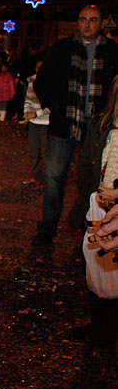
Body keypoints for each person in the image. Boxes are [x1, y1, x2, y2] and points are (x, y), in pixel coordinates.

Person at [31, 5, 118, 246]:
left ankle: (88, 226)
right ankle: (47, 228)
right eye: (83, 20)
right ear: (78, 23)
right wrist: (56, 108)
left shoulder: (112, 52)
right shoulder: (61, 49)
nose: (87, 24)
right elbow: (42, 83)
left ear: (101, 24)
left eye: (93, 20)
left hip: (98, 128)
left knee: (93, 180)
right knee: (54, 177)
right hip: (65, 125)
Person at [73, 75, 118, 347]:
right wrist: (94, 196)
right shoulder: (102, 126)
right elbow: (85, 167)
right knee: (99, 273)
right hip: (99, 207)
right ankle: (100, 328)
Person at [22, 58, 49, 186]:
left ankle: (47, 178)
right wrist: (27, 112)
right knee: (33, 150)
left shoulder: (52, 81)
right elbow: (28, 98)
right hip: (34, 122)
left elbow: (51, 106)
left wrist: (36, 113)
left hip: (46, 123)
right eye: (37, 67)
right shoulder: (32, 81)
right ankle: (36, 176)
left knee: (45, 152)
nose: (39, 70)